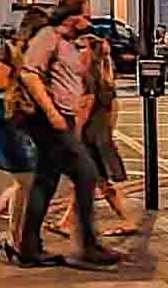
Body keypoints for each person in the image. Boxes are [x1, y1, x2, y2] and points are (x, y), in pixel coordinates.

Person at [17, 0, 122, 270]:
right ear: (70, 17)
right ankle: (88, 246)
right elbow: (29, 74)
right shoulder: (47, 36)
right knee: (86, 172)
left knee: (46, 180)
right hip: (46, 119)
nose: (89, 22)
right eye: (85, 16)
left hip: (61, 118)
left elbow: (73, 80)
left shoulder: (68, 44)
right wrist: (52, 112)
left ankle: (29, 248)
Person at [0, 7, 48, 254]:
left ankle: (4, 229)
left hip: (21, 122)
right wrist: (26, 77)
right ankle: (14, 239)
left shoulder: (29, 53)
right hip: (7, 121)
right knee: (26, 180)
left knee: (25, 182)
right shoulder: (10, 51)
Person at [57, 33, 137, 238]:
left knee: (102, 183)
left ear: (90, 52)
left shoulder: (88, 78)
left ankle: (127, 220)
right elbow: (113, 109)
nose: (75, 52)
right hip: (99, 138)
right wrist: (108, 132)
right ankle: (66, 222)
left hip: (90, 139)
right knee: (85, 181)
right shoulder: (105, 75)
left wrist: (73, 137)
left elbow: (84, 110)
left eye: (80, 48)